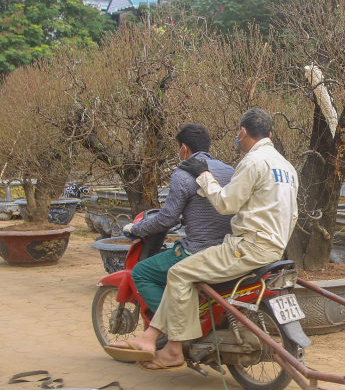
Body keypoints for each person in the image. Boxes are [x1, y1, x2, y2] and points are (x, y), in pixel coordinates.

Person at [110, 108, 299, 371]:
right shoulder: (285, 166)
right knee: (185, 275)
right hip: (274, 247)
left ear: (242, 131)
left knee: (177, 274)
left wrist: (203, 175)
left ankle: (173, 348)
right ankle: (152, 337)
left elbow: (221, 205)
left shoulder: (250, 162)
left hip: (246, 247)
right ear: (270, 133)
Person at [121, 123, 235, 315]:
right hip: (228, 249)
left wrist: (135, 229)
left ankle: (172, 325)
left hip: (197, 251)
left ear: (183, 148)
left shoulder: (183, 173)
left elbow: (166, 219)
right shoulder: (230, 171)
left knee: (141, 272)